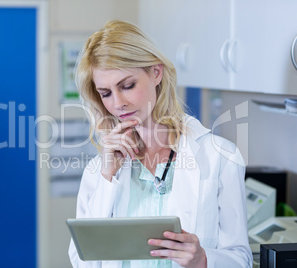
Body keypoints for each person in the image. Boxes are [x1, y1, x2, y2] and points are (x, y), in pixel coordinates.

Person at [68, 20, 252, 268]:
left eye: (127, 86)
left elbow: (240, 258)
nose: (118, 103)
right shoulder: (100, 170)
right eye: (106, 93)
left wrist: (203, 259)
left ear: (156, 73)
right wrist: (106, 178)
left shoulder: (220, 156)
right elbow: (83, 261)